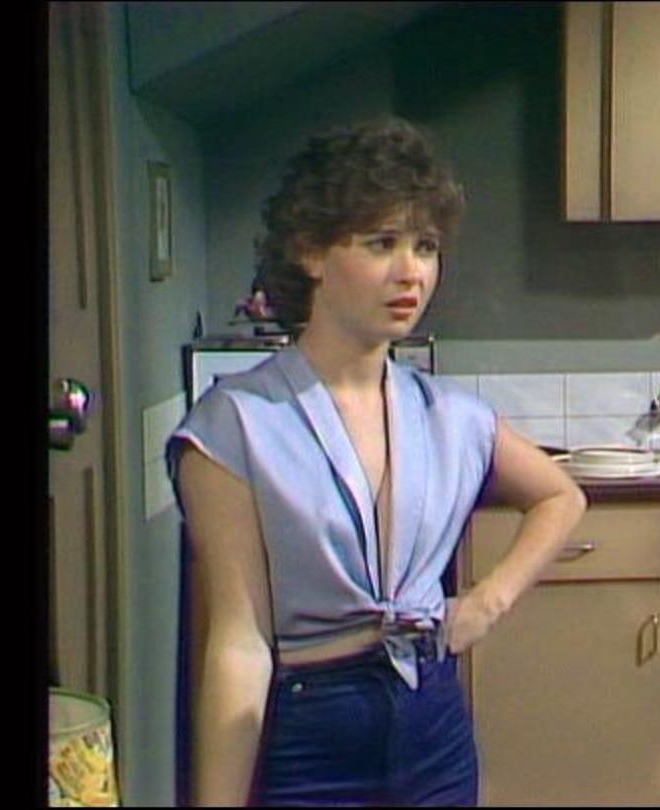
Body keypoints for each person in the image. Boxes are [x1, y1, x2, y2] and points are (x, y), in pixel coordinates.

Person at [167, 118, 586, 806]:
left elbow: (561, 496)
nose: (410, 271)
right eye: (381, 243)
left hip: (433, 724)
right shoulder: (235, 425)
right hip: (310, 738)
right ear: (312, 251)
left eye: (426, 247)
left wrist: (488, 601)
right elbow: (238, 643)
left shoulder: (450, 415)